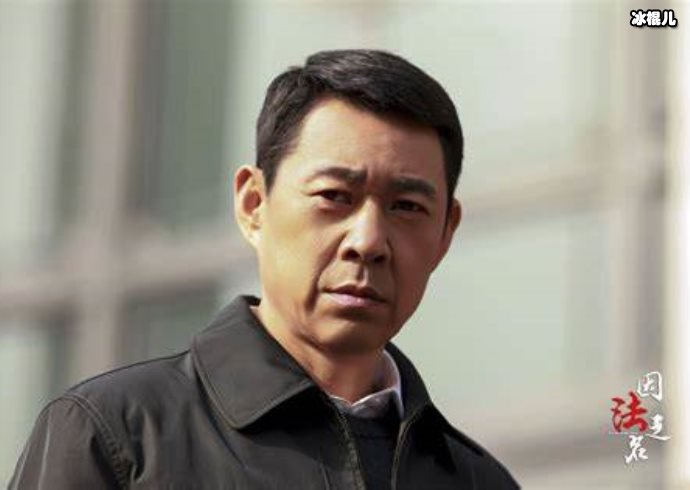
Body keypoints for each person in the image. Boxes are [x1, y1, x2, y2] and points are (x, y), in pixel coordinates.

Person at [10, 49, 519, 489]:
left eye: (406, 206)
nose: (367, 242)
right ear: (254, 204)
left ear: (446, 233)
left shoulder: (477, 481)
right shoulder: (119, 435)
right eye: (334, 196)